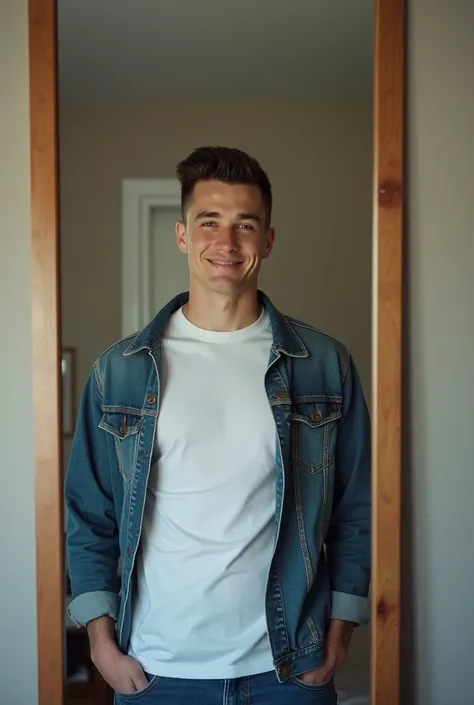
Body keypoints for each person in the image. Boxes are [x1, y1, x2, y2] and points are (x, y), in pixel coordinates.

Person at [65, 146, 371, 705]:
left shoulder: (325, 366)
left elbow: (358, 509)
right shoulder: (121, 371)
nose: (226, 243)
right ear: (183, 235)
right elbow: (89, 516)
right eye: (209, 222)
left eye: (244, 225)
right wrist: (101, 643)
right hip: (156, 671)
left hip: (288, 672)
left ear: (268, 240)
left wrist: (340, 631)